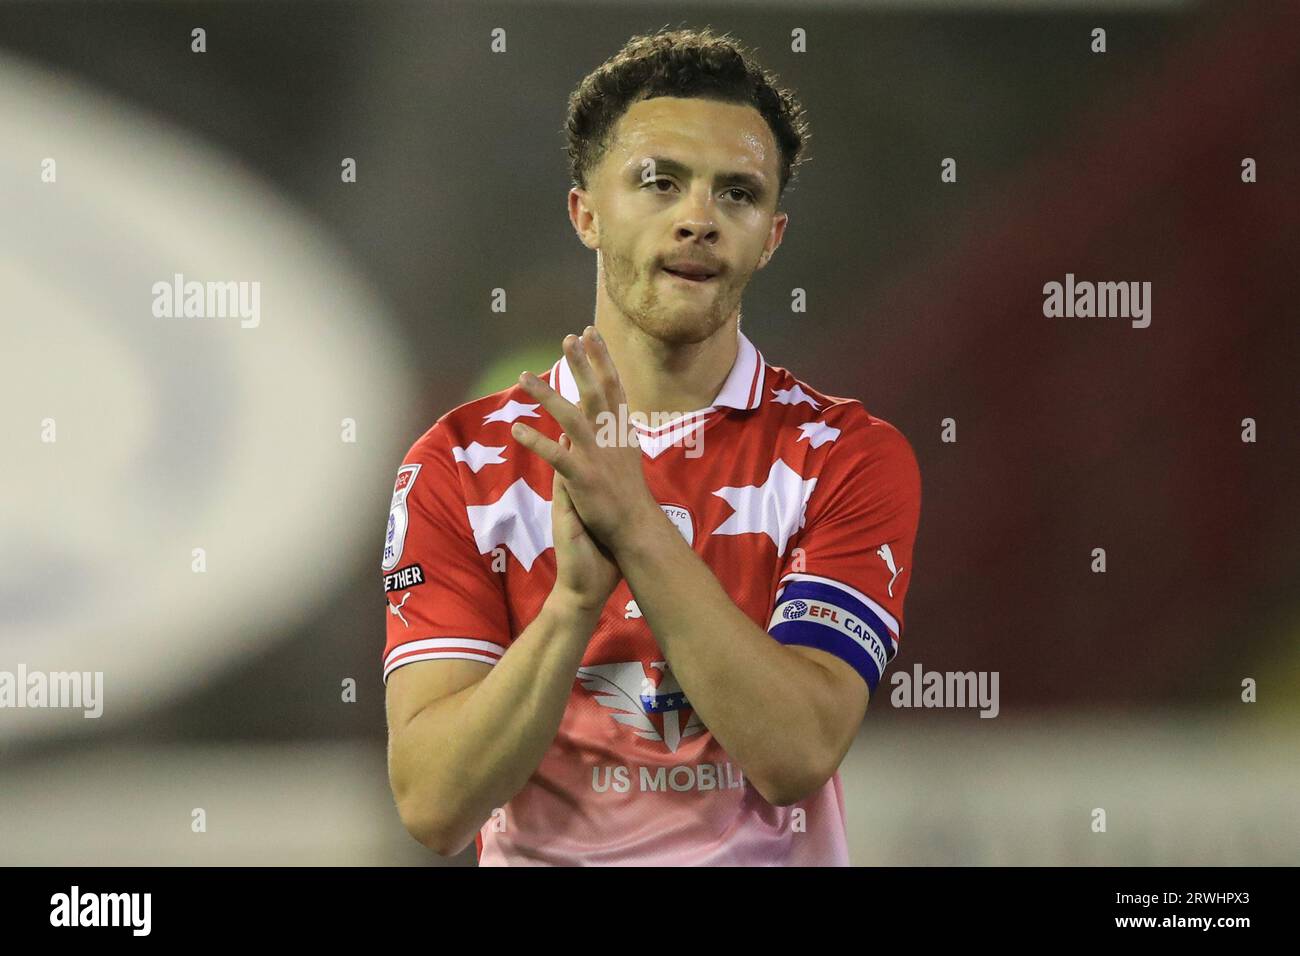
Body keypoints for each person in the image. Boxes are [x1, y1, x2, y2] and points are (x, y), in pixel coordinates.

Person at [381, 27, 921, 865]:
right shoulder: (459, 463)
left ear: (772, 237)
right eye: (659, 183)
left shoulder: (845, 455)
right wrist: (569, 610)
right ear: (585, 213)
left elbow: (797, 754)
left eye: (737, 194)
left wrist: (635, 526)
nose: (699, 219)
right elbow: (434, 804)